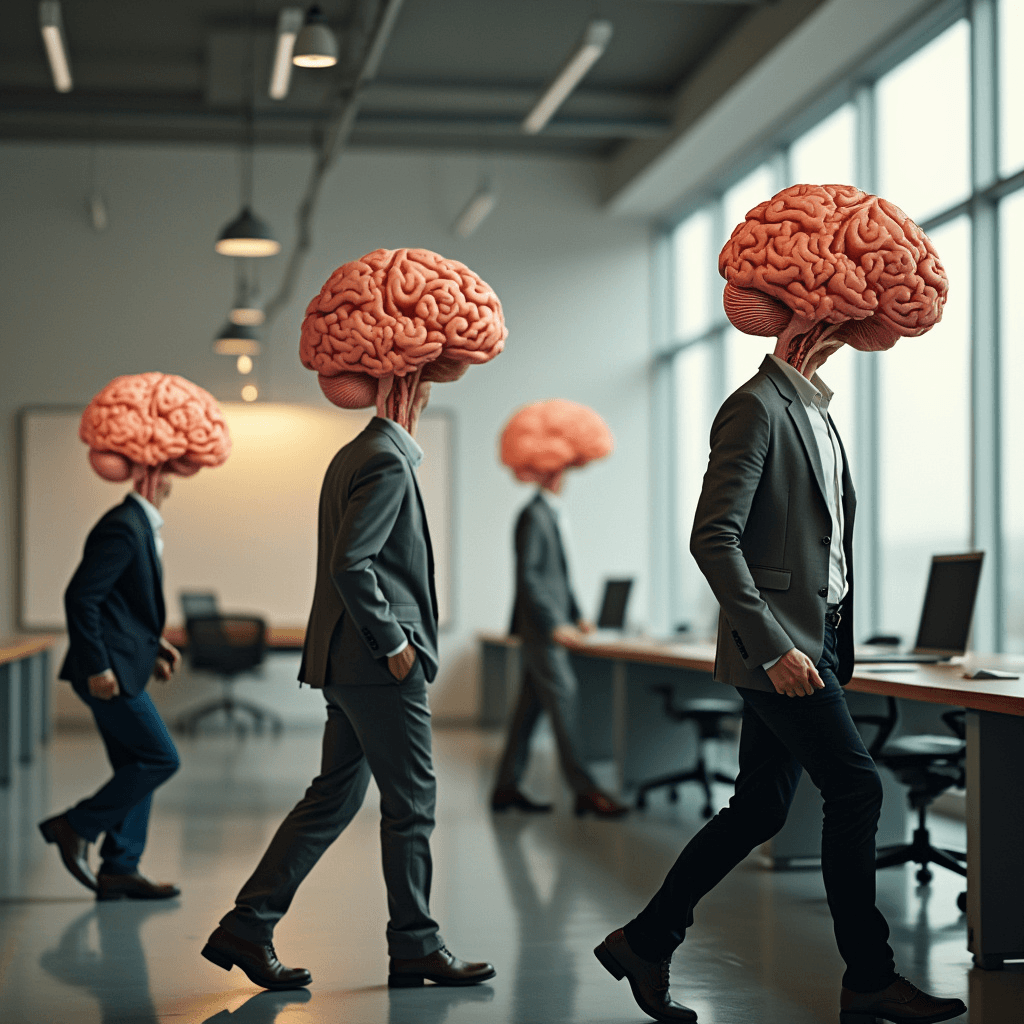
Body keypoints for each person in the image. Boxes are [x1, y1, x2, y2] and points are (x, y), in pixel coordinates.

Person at [594, 185, 967, 1024]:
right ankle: (869, 979)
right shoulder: (755, 407)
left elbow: (824, 545)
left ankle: (644, 943)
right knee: (858, 790)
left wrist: (836, 640)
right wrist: (773, 644)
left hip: (822, 644)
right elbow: (712, 538)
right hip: (783, 652)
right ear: (816, 312)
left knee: (760, 805)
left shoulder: (819, 416)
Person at [203, 247, 506, 991]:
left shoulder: (356, 452)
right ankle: (416, 944)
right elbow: (353, 563)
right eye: (435, 378)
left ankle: (247, 926)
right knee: (412, 805)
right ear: (411, 375)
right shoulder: (387, 458)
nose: (436, 392)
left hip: (345, 664)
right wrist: (396, 644)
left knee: (333, 795)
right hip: (376, 665)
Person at [40, 372, 231, 901]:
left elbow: (123, 607)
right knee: (159, 759)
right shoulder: (124, 525)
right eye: (171, 470)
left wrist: (156, 645)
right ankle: (75, 826)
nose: (174, 480)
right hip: (104, 672)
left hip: (122, 663)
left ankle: (121, 867)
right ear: (154, 472)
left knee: (134, 764)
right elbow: (83, 597)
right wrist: (99, 665)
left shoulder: (141, 526)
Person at [491, 399, 628, 817]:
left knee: (527, 713)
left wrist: (578, 614)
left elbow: (558, 576)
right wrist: (554, 624)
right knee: (564, 701)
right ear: (551, 466)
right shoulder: (534, 515)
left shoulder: (550, 513)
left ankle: (506, 789)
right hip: (540, 630)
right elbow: (530, 577)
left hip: (547, 625)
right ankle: (585, 790)